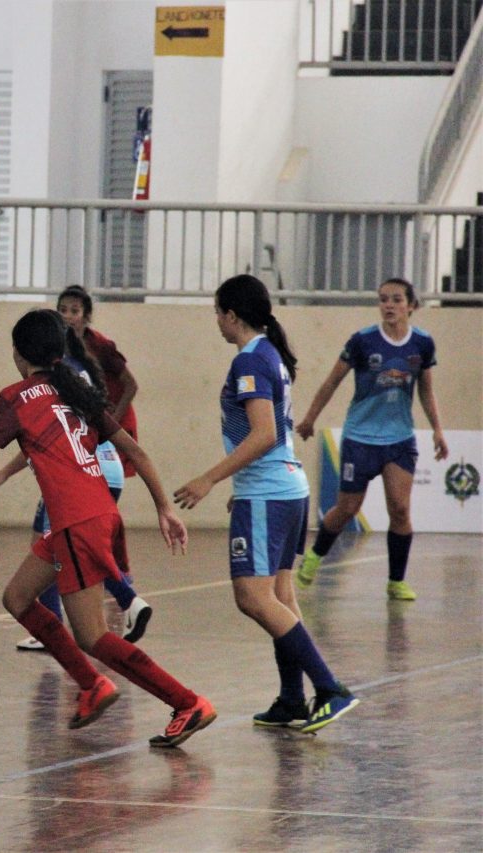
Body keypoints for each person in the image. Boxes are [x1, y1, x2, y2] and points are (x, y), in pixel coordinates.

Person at [0, 309, 216, 748]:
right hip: (98, 514)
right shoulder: (77, 390)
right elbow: (138, 453)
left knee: (93, 636)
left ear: (18, 353)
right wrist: (164, 508)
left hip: (75, 521)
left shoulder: (14, 398)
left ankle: (185, 702)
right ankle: (93, 686)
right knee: (17, 597)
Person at [173, 274, 358, 734]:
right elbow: (272, 438)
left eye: (218, 311)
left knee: (252, 598)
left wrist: (209, 479)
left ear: (232, 315)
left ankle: (330, 688)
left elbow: (265, 434)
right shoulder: (268, 354)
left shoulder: (250, 361)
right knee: (279, 596)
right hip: (284, 489)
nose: (216, 320)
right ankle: (293, 698)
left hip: (270, 494)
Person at [0, 288, 153, 649]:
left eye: (74, 310)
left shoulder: (61, 377)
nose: (68, 315)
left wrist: (2, 472)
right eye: (62, 310)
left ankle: (118, 604)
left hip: (84, 471)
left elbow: (48, 435)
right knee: (70, 546)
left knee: (58, 546)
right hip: (101, 465)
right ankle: (123, 602)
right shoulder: (80, 368)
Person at [293, 278, 447, 601]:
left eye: (396, 299)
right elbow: (331, 382)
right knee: (348, 508)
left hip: (399, 440)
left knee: (401, 510)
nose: (388, 305)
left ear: (411, 306)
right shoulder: (363, 341)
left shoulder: (422, 344)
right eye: (383, 299)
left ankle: (396, 581)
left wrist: (437, 429)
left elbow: (426, 390)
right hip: (360, 438)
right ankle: (315, 555)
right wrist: (309, 419)